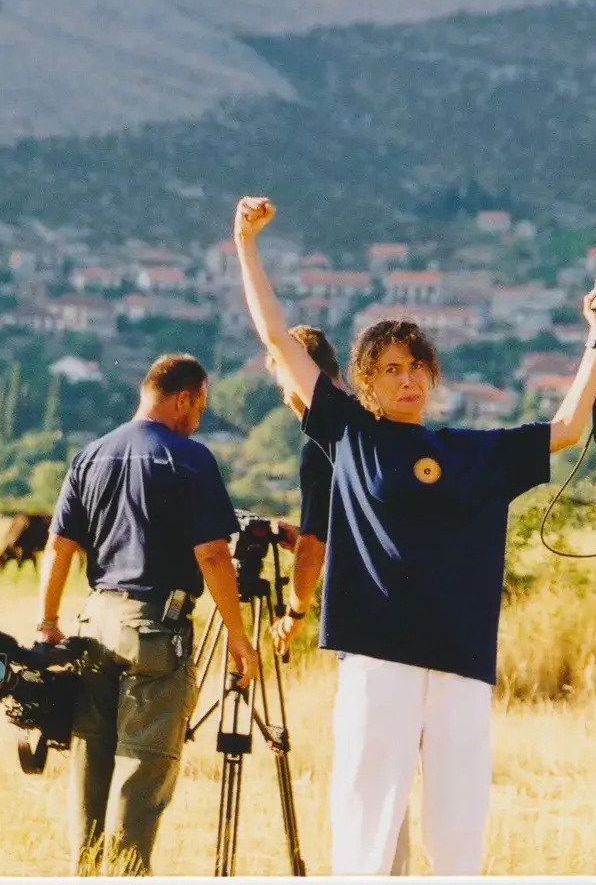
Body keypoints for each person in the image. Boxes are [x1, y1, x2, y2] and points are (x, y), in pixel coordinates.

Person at [228, 196, 596, 876]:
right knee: (365, 830)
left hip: (461, 664)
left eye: (417, 368)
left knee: (458, 838)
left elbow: (565, 429)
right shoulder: (350, 434)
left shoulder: (474, 450)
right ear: (365, 382)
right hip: (378, 659)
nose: (408, 380)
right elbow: (276, 339)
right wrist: (245, 243)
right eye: (391, 369)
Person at [34, 354, 260, 877]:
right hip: (155, 631)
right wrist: (238, 636)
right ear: (183, 398)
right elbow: (211, 555)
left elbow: (59, 547)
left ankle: (86, 872)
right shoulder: (190, 458)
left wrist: (48, 622)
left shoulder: (90, 455)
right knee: (142, 772)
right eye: (199, 407)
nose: (198, 418)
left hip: (94, 626)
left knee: (91, 766)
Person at [266, 325, 413, 877]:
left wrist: (295, 608)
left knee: (369, 771)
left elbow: (315, 545)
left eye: (280, 373)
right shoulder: (375, 421)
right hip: (407, 615)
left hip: (365, 627)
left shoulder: (324, 441)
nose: (282, 392)